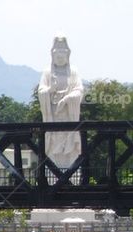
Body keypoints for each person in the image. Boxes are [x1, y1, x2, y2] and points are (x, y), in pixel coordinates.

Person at [37, 37, 84, 169]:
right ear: (52, 54)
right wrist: (49, 90)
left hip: (69, 116)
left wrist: (67, 99)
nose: (60, 57)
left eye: (63, 53)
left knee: (69, 146)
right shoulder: (48, 72)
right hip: (53, 117)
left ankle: (72, 174)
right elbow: (41, 90)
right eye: (57, 53)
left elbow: (79, 90)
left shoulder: (73, 72)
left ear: (68, 54)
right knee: (54, 146)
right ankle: (53, 174)